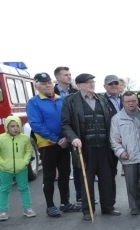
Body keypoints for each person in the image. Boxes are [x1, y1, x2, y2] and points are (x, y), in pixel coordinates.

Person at [61, 73, 120, 220]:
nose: (92, 85)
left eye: (93, 82)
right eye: (88, 83)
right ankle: (88, 211)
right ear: (79, 85)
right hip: (85, 148)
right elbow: (65, 124)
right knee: (86, 179)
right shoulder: (71, 101)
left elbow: (112, 120)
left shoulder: (102, 99)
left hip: (104, 146)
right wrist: (73, 137)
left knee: (107, 178)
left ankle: (108, 207)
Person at [26, 73, 80, 217]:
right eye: (43, 84)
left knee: (64, 174)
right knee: (49, 176)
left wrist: (66, 138)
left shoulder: (60, 99)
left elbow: (68, 120)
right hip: (47, 145)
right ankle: (50, 206)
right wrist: (56, 139)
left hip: (64, 143)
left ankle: (65, 203)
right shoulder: (34, 102)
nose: (48, 85)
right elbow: (36, 125)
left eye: (49, 83)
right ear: (37, 86)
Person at [54, 66, 83, 206]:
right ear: (58, 77)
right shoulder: (51, 93)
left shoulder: (75, 92)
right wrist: (61, 136)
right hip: (59, 138)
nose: (69, 77)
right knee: (63, 171)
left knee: (78, 166)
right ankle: (64, 201)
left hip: (74, 135)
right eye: (66, 74)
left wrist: (71, 135)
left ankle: (80, 196)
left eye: (70, 74)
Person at [0, 115, 36, 220]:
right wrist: (2, 164)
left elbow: (28, 150)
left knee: (24, 188)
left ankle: (27, 208)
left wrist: (24, 162)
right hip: (5, 169)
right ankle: (3, 211)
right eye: (12, 126)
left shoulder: (24, 138)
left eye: (17, 126)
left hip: (21, 169)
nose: (15, 128)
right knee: (4, 189)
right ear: (6, 127)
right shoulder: (1, 138)